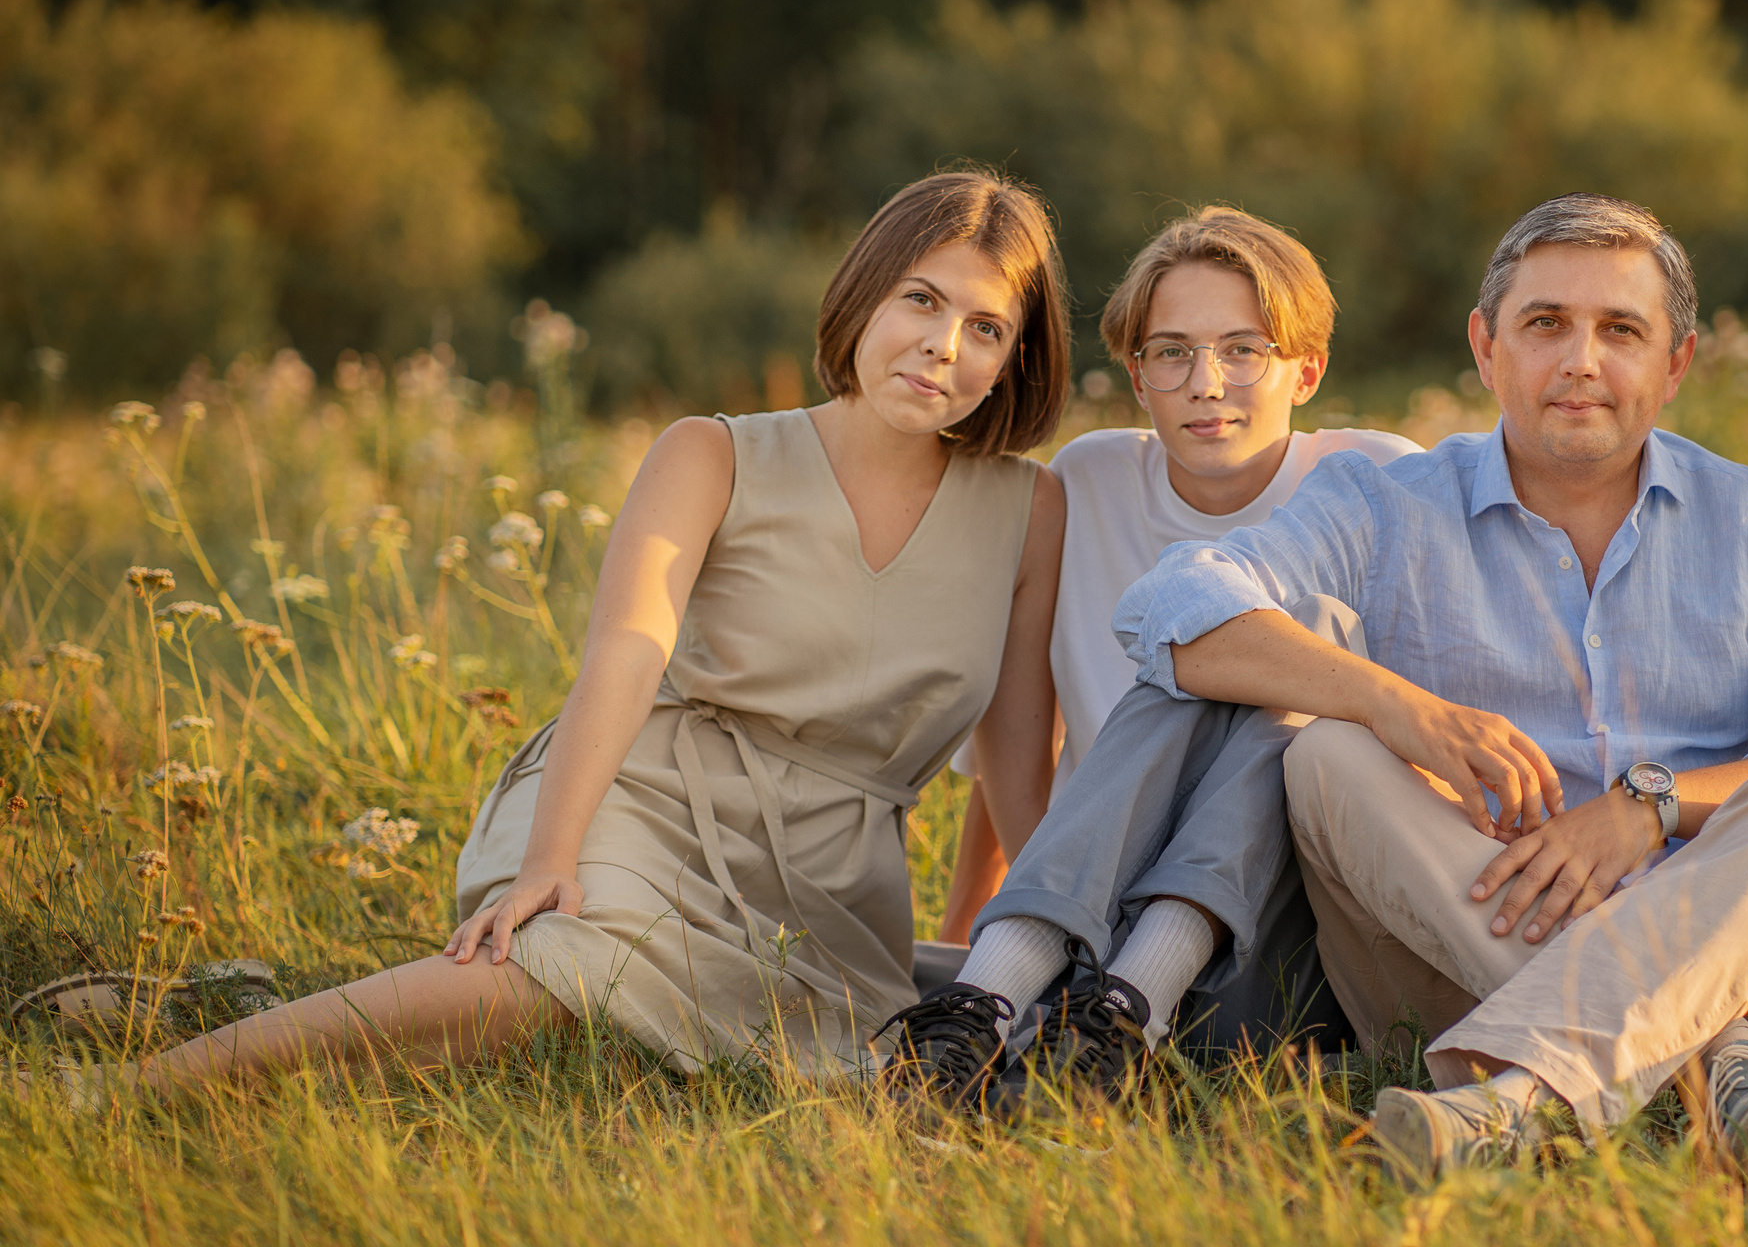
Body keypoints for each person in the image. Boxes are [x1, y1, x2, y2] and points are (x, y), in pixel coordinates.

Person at [111, 169, 1072, 1095]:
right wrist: (551, 857)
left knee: (687, 1048)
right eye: (920, 299)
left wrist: (1023, 949)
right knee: (555, 982)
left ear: (1014, 358)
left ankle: (223, 1002)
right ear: (865, 294)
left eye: (985, 327)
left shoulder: (1031, 510)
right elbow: (627, 650)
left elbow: (1018, 762)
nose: (944, 344)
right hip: (646, 797)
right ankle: (129, 1087)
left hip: (834, 881)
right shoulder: (713, 453)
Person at [1100, 193, 1748, 1181]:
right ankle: (1720, 1064)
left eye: (1620, 331)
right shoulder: (1384, 505)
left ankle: (1511, 1099)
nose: (1579, 361)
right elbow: (1172, 604)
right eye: (1544, 325)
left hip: (1731, 947)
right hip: (1466, 934)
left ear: (1676, 362)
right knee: (1328, 752)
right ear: (1485, 347)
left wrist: (1647, 811)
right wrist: (1399, 708)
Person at [880, 209, 1414, 1100]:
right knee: (819, 970)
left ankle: (1108, 997)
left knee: (1218, 626)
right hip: (1092, 919)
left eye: (1244, 350)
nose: (1206, 382)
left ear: (1306, 370)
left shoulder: (1377, 480)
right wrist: (983, 915)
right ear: (1137, 375)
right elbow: (1024, 738)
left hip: (1285, 934)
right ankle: (1019, 1004)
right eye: (1172, 352)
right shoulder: (1087, 482)